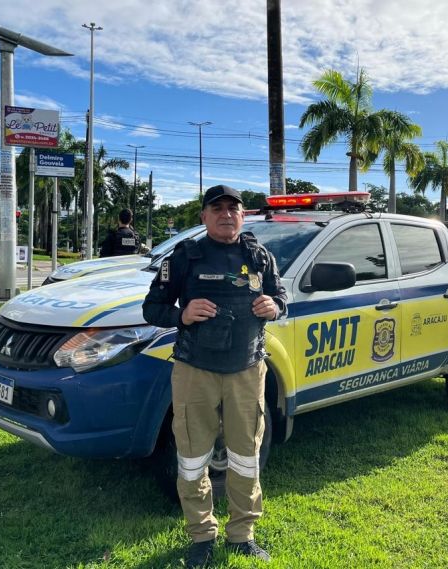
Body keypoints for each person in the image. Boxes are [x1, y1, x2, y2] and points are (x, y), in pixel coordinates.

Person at [142, 185, 287, 568]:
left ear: (243, 215)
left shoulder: (259, 255)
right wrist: (181, 314)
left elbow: (281, 298)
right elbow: (152, 307)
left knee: (245, 456)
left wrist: (275, 306)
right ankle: (202, 535)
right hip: (195, 371)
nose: (226, 214)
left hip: (247, 370)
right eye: (217, 208)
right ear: (203, 217)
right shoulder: (185, 256)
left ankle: (242, 534)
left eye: (233, 209)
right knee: (191, 457)